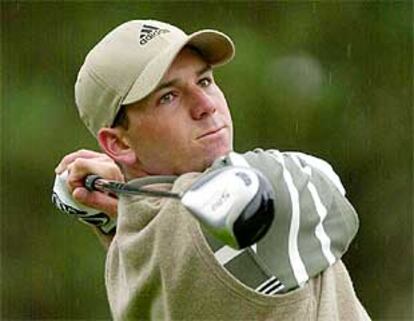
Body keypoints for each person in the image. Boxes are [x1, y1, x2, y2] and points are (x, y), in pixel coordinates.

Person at [55, 20, 371, 320]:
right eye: (168, 97)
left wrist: (116, 205)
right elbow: (328, 185)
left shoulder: (127, 250)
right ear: (120, 145)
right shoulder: (230, 203)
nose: (205, 103)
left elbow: (159, 224)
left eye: (204, 80)